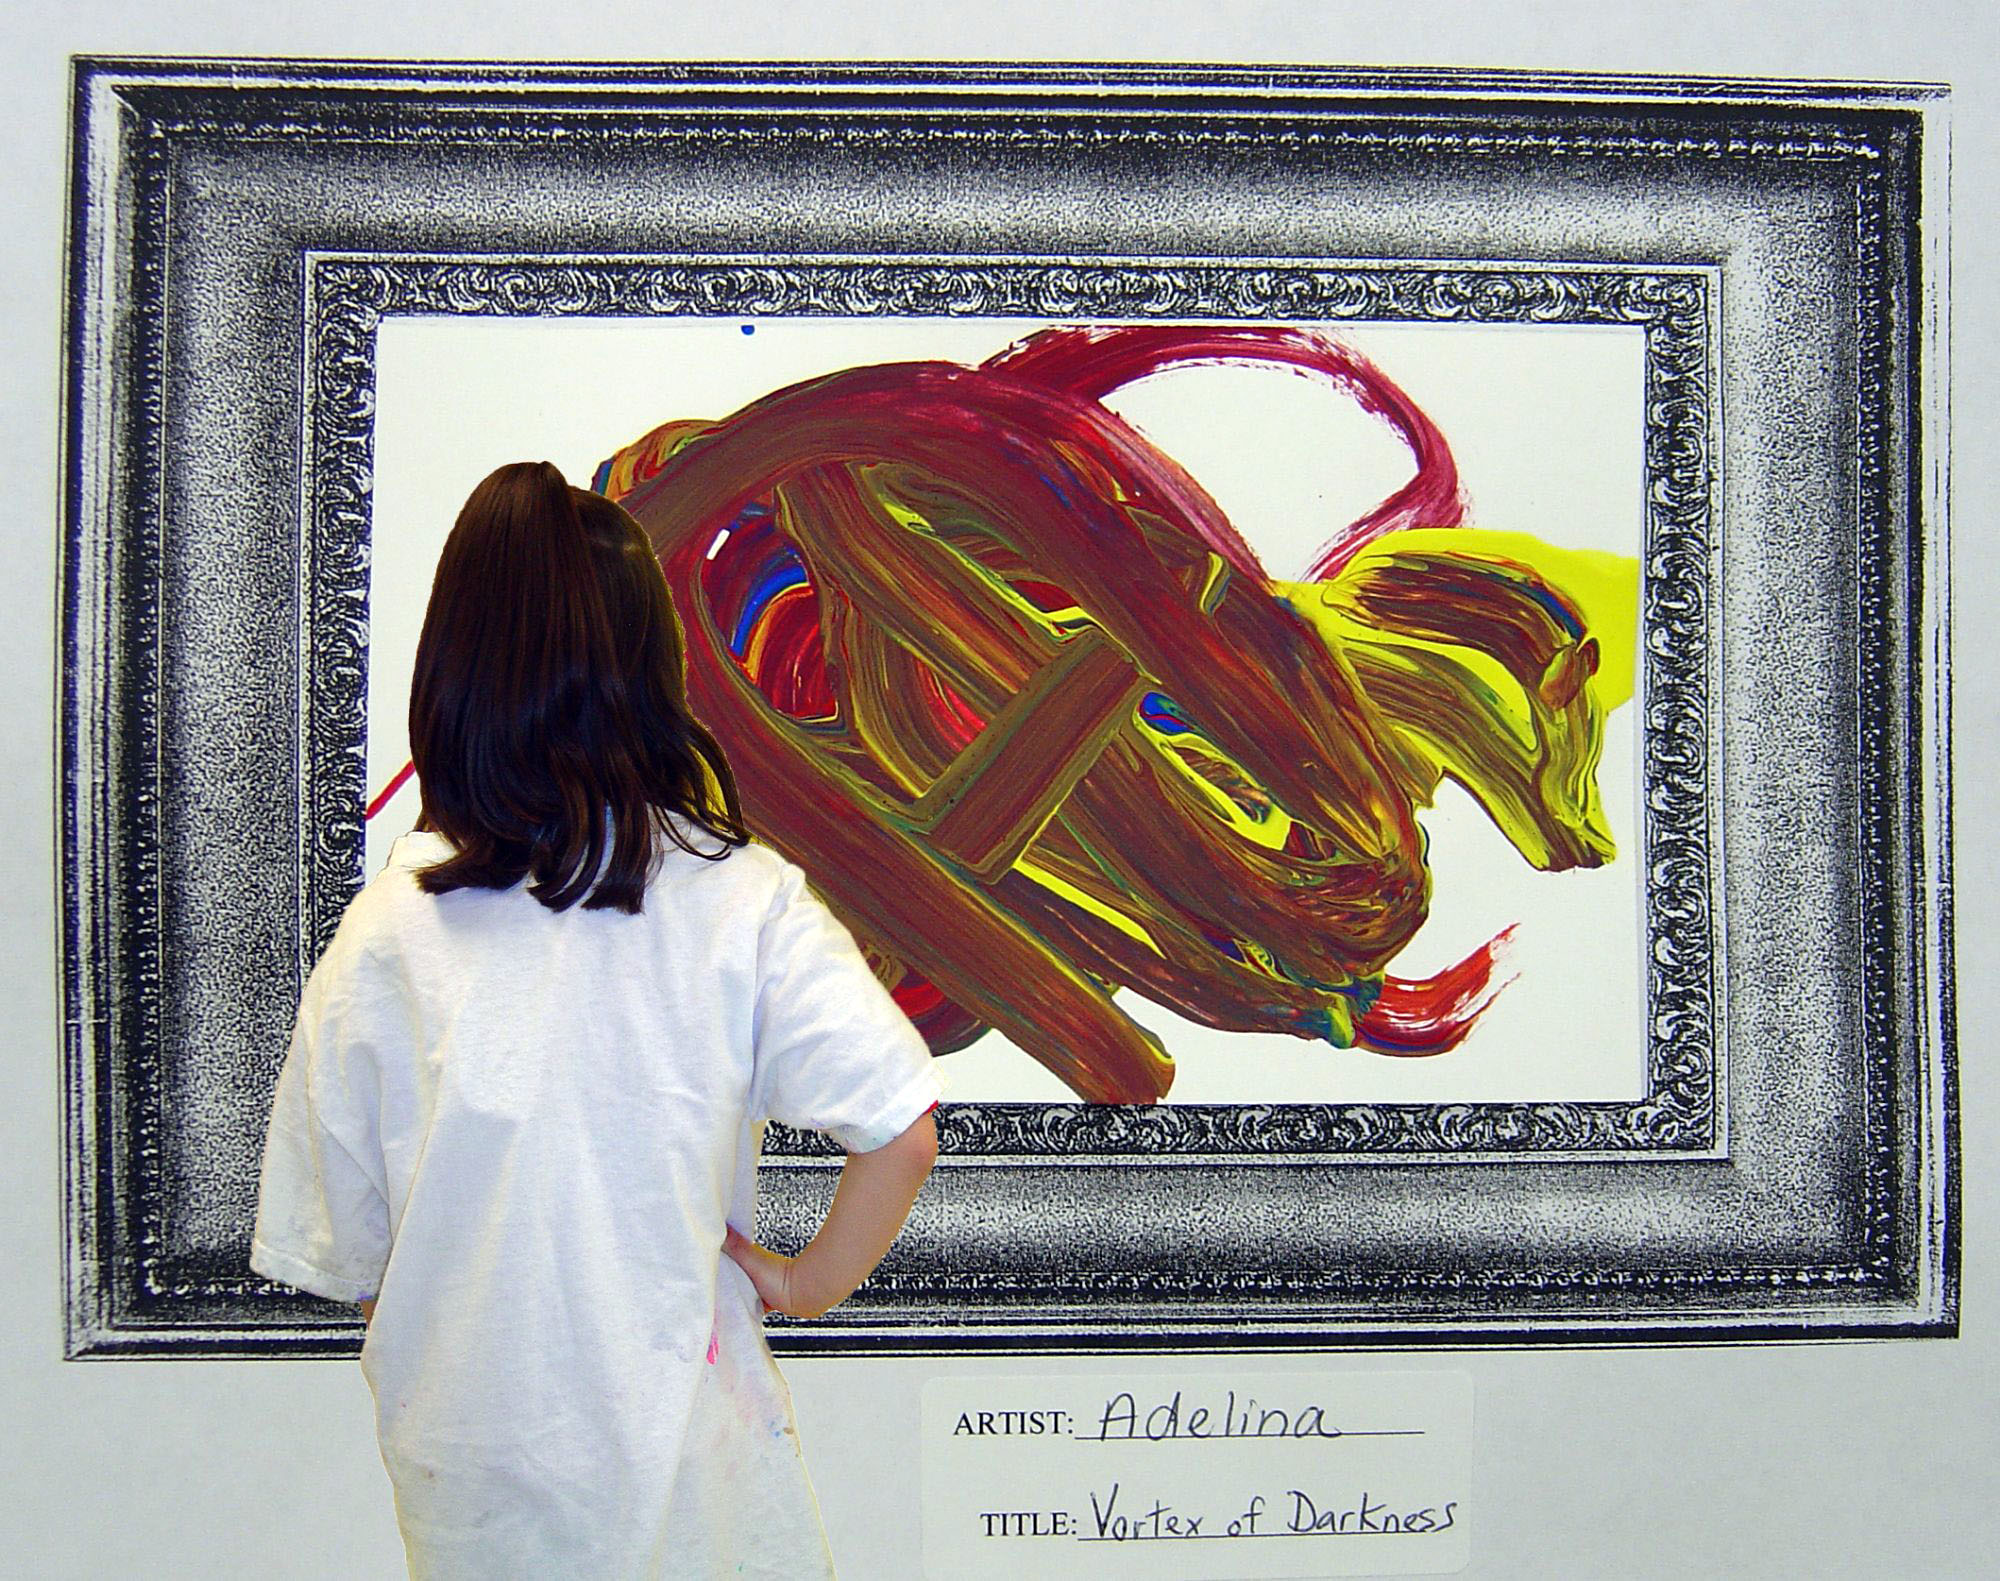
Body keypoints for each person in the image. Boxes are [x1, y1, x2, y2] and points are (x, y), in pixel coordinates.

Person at [250, 460, 943, 1579]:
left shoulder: (385, 934)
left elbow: (357, 1253)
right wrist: (802, 1284)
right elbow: (899, 1132)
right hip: (700, 1480)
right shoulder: (739, 898)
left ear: (453, 676)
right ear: (655, 672)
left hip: (475, 1493)